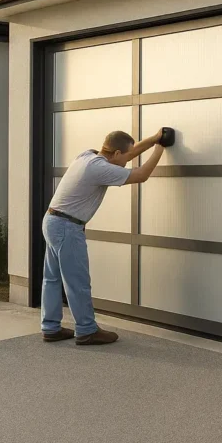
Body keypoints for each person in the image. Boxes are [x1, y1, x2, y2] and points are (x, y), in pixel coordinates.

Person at [42, 127, 174, 345]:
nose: (126, 163)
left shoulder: (87, 156)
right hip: (67, 227)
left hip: (53, 220)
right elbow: (141, 175)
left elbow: (128, 154)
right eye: (124, 158)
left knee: (52, 278)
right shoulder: (100, 169)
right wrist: (160, 147)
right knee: (78, 281)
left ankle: (50, 327)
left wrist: (153, 138)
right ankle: (86, 330)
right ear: (115, 154)